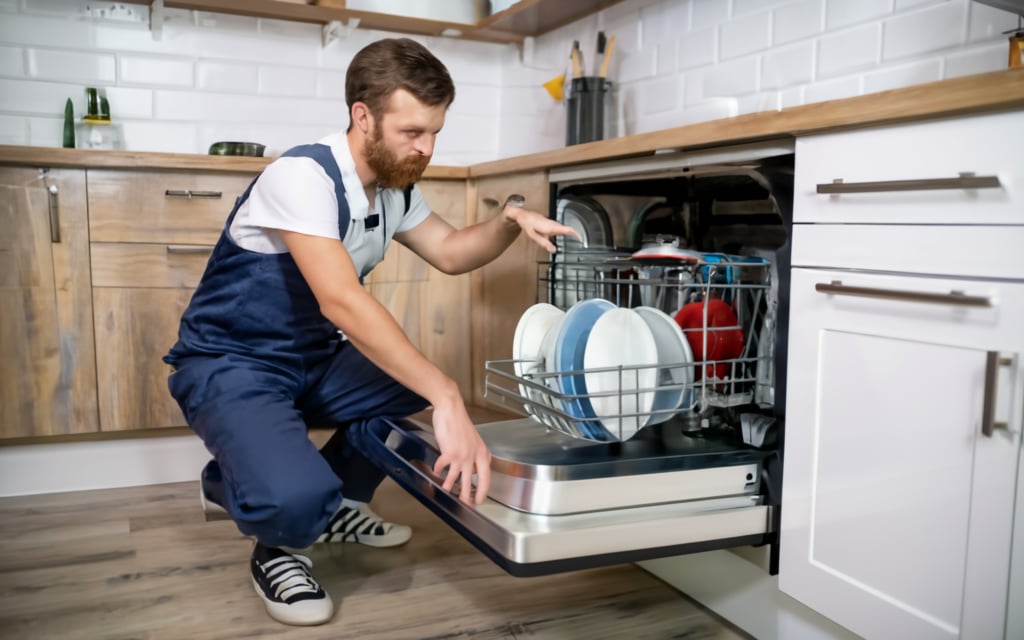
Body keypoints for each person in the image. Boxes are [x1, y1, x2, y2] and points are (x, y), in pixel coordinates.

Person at [164, 37, 577, 627]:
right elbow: (342, 302)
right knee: (300, 489)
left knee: (406, 394)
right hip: (234, 362)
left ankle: (339, 507)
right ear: (363, 115)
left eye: (435, 131)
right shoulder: (303, 175)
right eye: (413, 131)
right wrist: (450, 396)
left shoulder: (393, 188)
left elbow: (453, 252)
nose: (427, 148)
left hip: (313, 359)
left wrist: (509, 217)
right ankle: (273, 534)